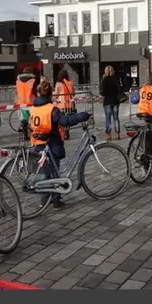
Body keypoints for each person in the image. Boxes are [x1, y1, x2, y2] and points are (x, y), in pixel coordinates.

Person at [29, 78, 91, 208]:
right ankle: (55, 198)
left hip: (37, 142)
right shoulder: (52, 109)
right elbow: (65, 121)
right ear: (50, 94)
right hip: (51, 143)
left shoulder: (34, 108)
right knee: (54, 172)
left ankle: (47, 198)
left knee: (44, 171)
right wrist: (82, 116)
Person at [15, 67, 38, 141]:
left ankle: (25, 136)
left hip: (22, 104)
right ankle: (33, 135)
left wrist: (16, 102)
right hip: (31, 103)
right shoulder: (33, 81)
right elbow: (36, 92)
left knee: (24, 121)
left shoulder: (18, 81)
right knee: (33, 121)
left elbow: (17, 92)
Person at [100, 65, 121, 140]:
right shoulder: (116, 79)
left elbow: (103, 93)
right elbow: (120, 89)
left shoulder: (104, 80)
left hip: (107, 102)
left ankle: (108, 135)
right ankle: (117, 134)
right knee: (116, 118)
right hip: (115, 101)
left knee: (108, 119)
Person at [54, 69, 75, 140]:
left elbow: (56, 94)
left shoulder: (58, 84)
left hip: (61, 105)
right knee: (67, 118)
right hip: (69, 105)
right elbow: (73, 93)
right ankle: (67, 132)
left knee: (61, 119)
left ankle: (62, 133)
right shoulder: (70, 83)